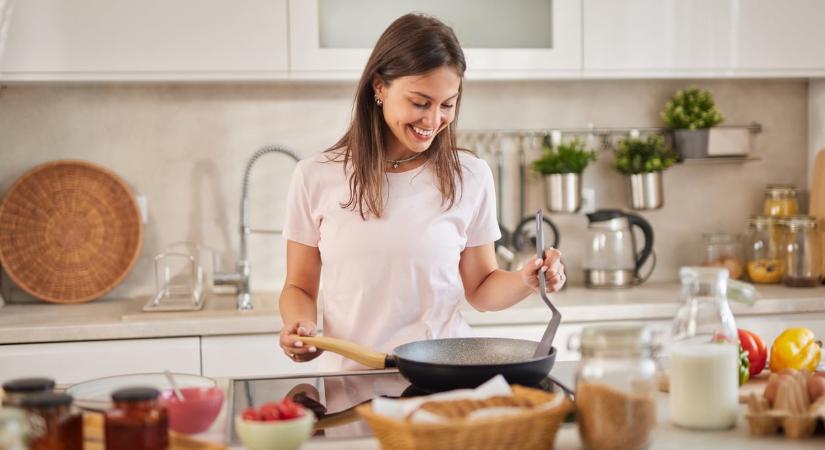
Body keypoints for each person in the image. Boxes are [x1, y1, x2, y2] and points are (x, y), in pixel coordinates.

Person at [279, 13, 564, 371]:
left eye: (447, 104)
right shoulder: (315, 176)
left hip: (445, 379)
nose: (433, 121)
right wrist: (299, 326)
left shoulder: (470, 176)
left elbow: (481, 287)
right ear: (379, 87)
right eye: (419, 102)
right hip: (351, 381)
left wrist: (526, 279)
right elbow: (299, 287)